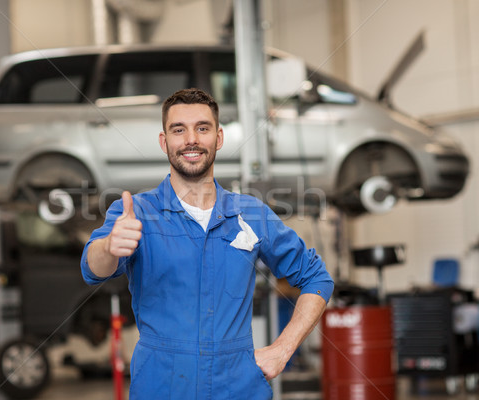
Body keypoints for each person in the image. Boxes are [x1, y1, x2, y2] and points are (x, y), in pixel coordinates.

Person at [81, 88, 333, 399]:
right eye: (178, 130)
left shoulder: (250, 214)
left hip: (238, 387)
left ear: (219, 138)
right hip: (161, 385)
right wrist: (108, 247)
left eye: (202, 128)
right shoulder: (136, 212)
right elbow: (93, 267)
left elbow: (316, 278)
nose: (191, 140)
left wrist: (283, 349)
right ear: (164, 142)